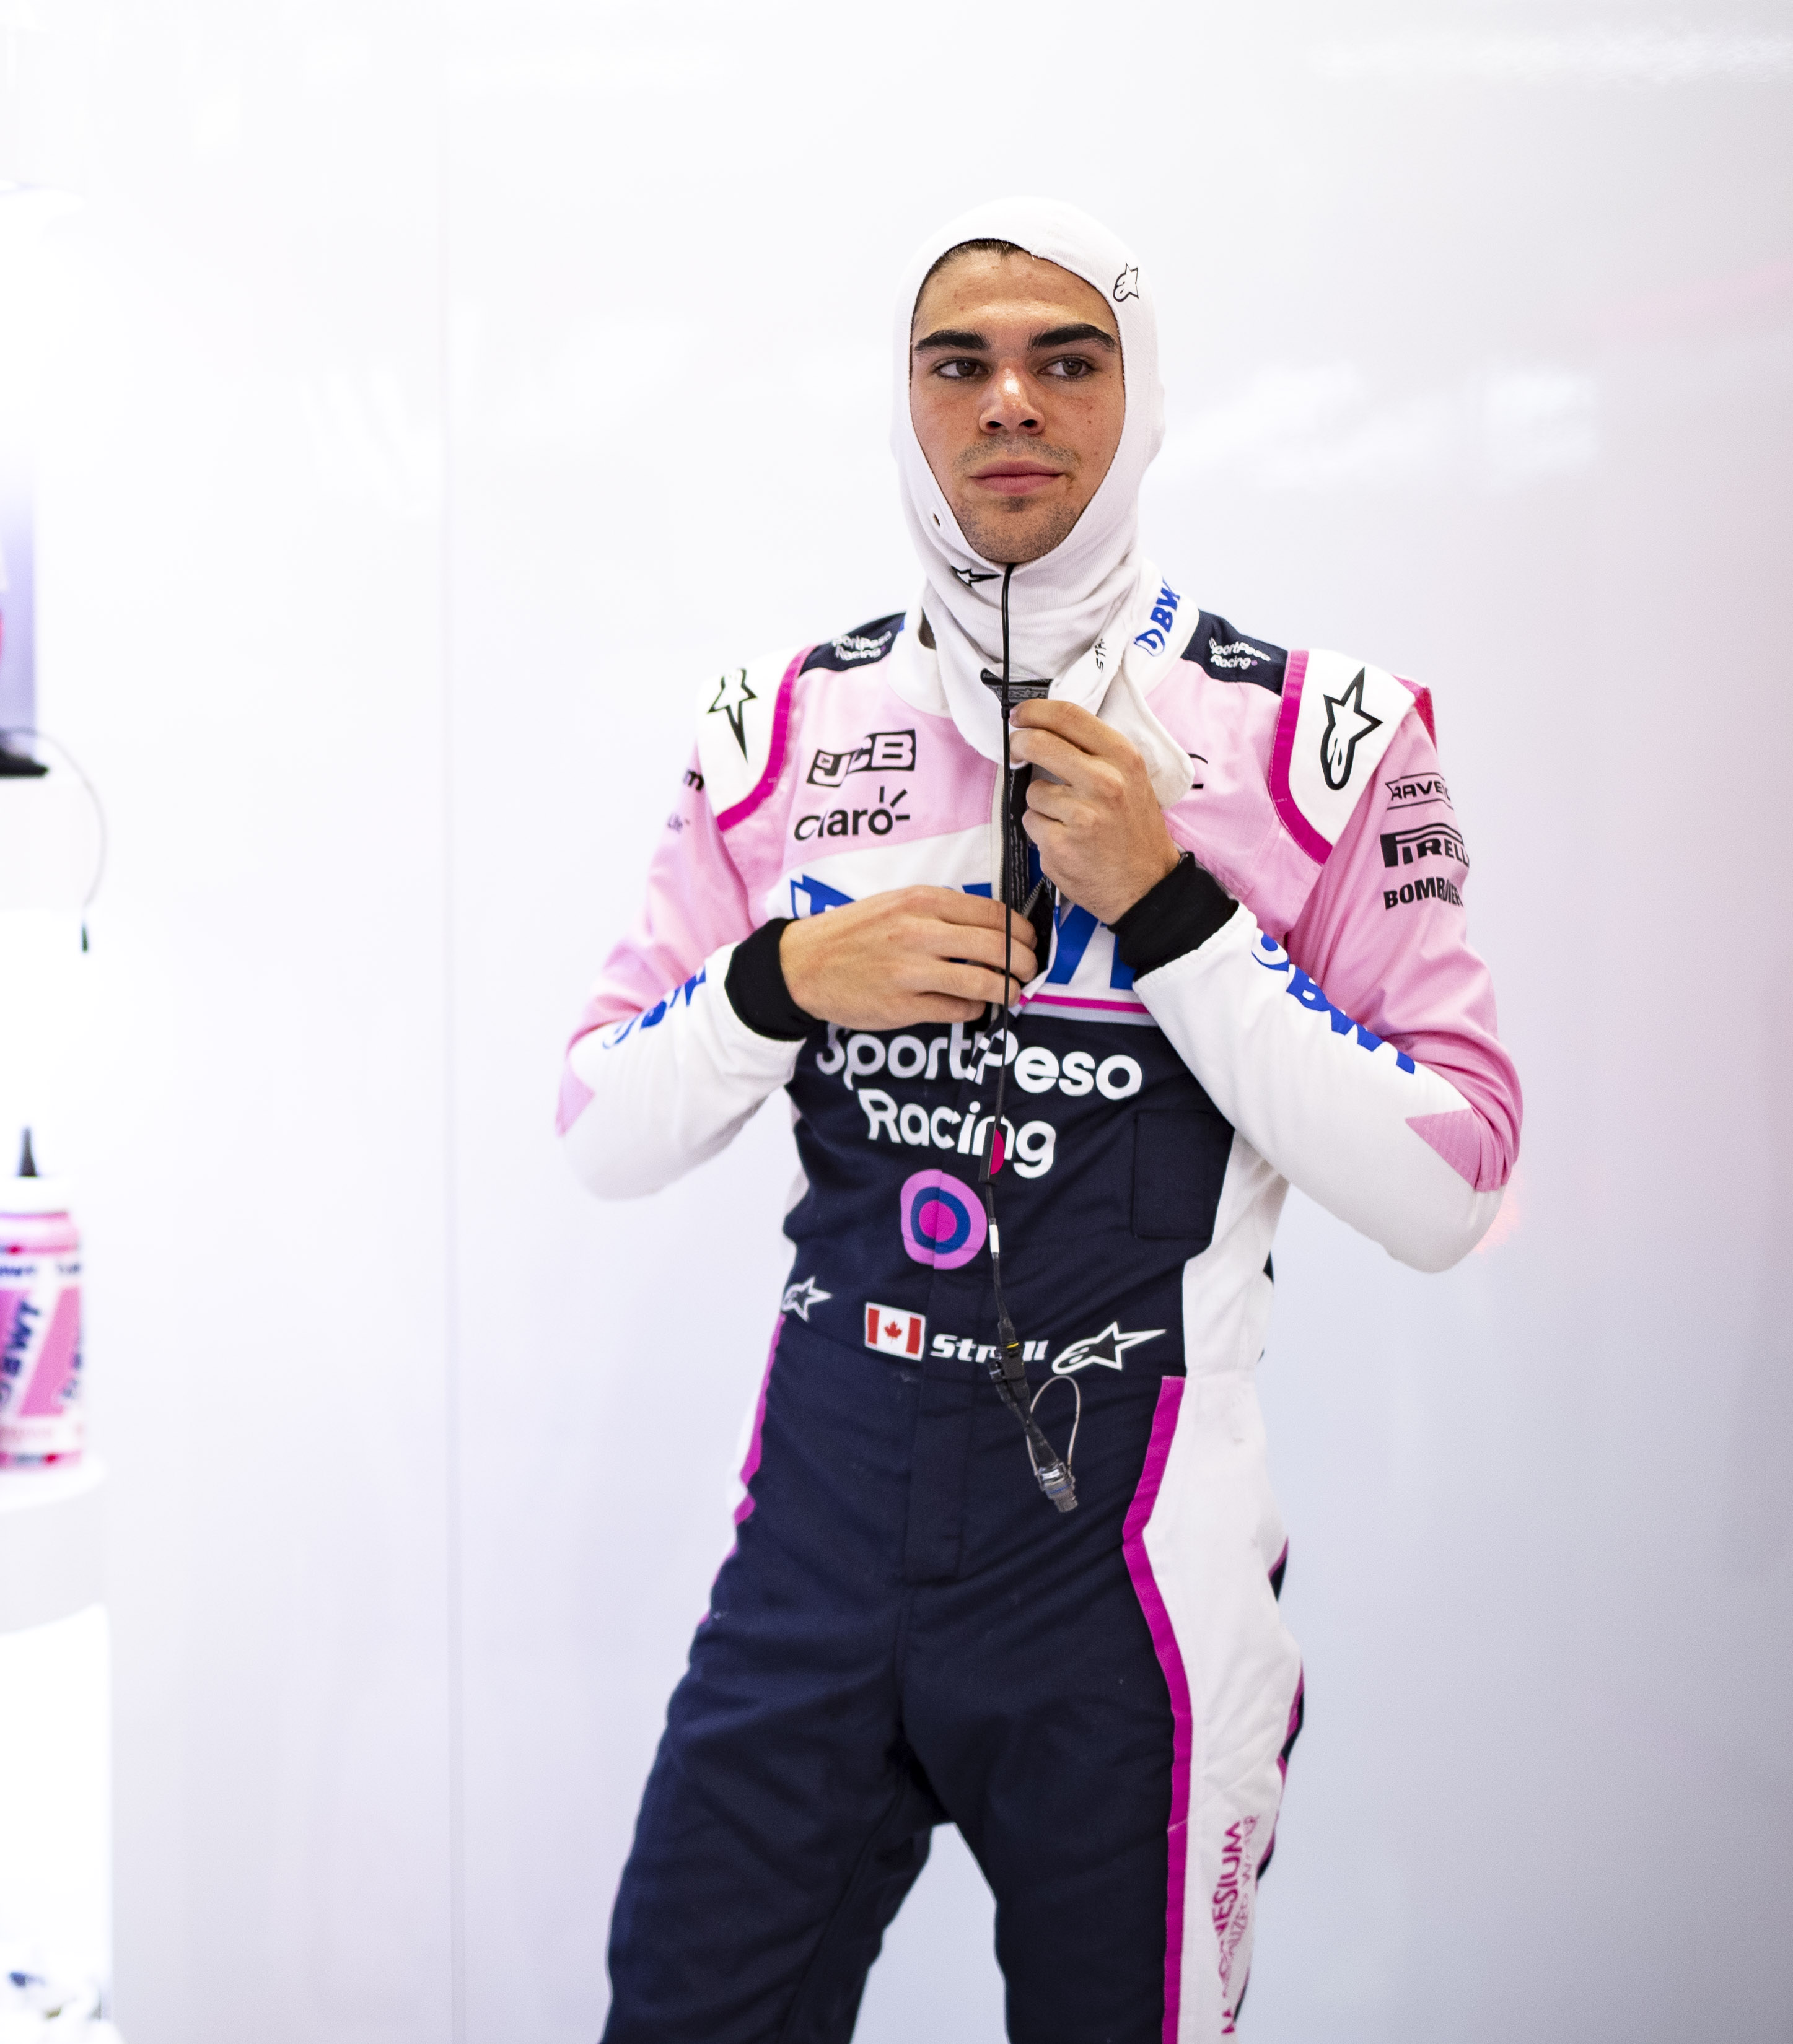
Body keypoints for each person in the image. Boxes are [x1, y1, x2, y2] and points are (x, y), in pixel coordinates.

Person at [558, 198, 1520, 2042]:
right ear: (906, 404)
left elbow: (1454, 1181)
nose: (1011, 401)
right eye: (962, 363)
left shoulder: (1324, 739)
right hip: (823, 1517)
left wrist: (1174, 915)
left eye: (1067, 360)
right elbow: (599, 1125)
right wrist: (781, 980)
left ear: (1138, 401)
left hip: (1129, 1562)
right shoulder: (777, 724)